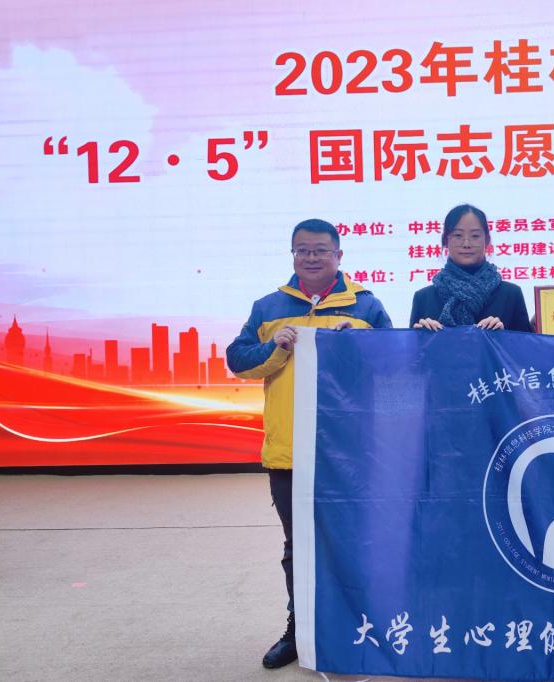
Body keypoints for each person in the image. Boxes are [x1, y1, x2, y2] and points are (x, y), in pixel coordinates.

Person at [226, 218, 392, 669]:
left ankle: (358, 628)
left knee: (353, 543)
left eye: (321, 250)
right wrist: (275, 348)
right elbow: (238, 361)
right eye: (303, 250)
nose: (312, 257)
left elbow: (392, 365)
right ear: (293, 255)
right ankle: (299, 630)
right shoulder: (268, 307)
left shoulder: (366, 306)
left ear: (339, 255)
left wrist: (362, 345)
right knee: (297, 546)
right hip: (290, 450)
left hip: (349, 451)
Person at [410, 204, 532, 332]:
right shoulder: (423, 298)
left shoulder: (511, 294)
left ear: (487, 240)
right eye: (458, 235)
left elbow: (525, 344)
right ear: (446, 240)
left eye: (475, 236)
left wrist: (503, 336)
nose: (466, 244)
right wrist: (421, 337)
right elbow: (412, 345)